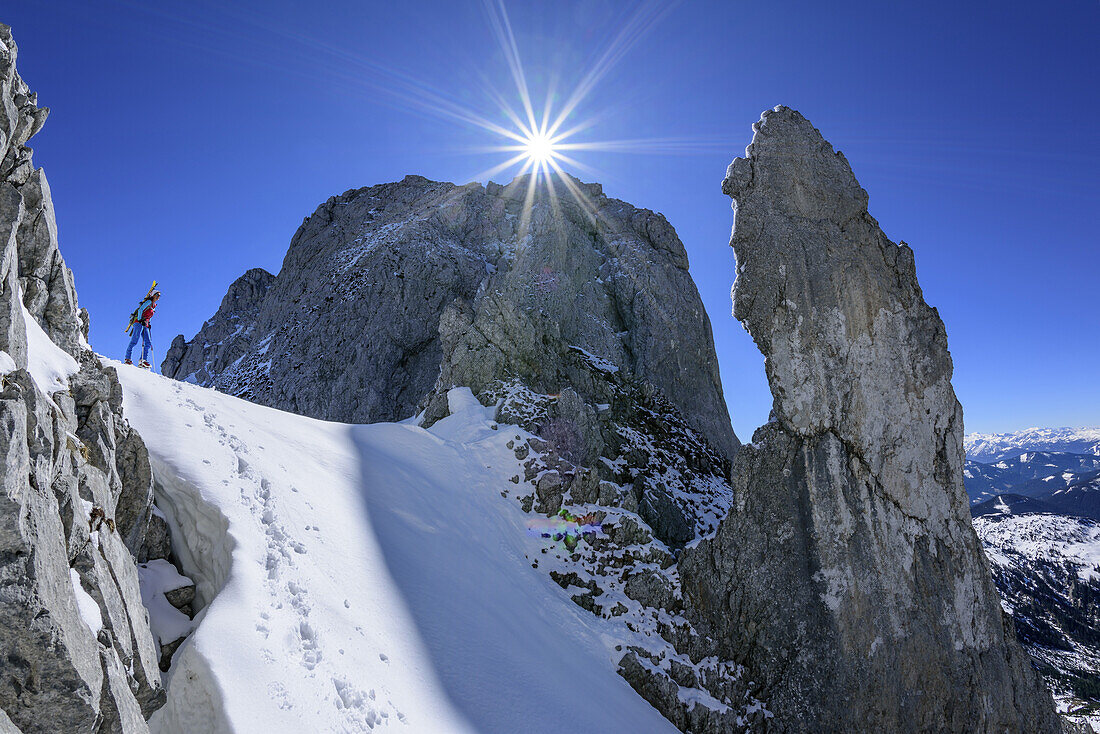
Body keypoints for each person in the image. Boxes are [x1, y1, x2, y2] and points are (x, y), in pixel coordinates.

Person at [125, 290, 160, 368]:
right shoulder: (148, 302)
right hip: (138, 322)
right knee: (135, 340)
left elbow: (149, 315)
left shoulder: (154, 305)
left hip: (145, 324)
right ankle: (127, 358)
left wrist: (149, 323)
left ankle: (143, 360)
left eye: (159, 295)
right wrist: (140, 319)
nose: (158, 297)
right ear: (153, 295)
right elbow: (141, 310)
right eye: (157, 295)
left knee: (148, 342)